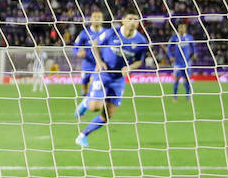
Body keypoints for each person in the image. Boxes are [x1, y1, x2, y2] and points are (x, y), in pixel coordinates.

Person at [76, 12, 153, 148]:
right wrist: (99, 62)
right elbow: (94, 45)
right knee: (95, 107)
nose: (133, 22)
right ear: (123, 20)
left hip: (118, 79)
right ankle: (86, 102)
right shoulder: (112, 33)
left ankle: (82, 136)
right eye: (130, 19)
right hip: (104, 74)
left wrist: (130, 67)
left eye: (136, 19)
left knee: (108, 114)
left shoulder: (141, 41)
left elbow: (139, 61)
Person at [72, 10, 110, 117]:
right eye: (95, 17)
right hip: (87, 64)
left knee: (94, 83)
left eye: (99, 17)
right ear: (91, 19)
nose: (97, 19)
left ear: (102, 20)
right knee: (84, 85)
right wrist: (78, 52)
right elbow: (75, 47)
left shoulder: (107, 33)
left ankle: (87, 104)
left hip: (100, 64)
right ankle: (84, 102)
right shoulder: (84, 33)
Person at [167, 21, 196, 100]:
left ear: (185, 29)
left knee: (187, 79)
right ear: (178, 29)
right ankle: (175, 96)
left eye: (183, 27)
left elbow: (193, 47)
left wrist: (195, 53)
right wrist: (170, 56)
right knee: (176, 79)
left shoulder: (189, 37)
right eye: (180, 28)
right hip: (177, 63)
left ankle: (187, 95)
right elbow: (168, 48)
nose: (181, 29)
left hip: (187, 62)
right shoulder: (175, 38)